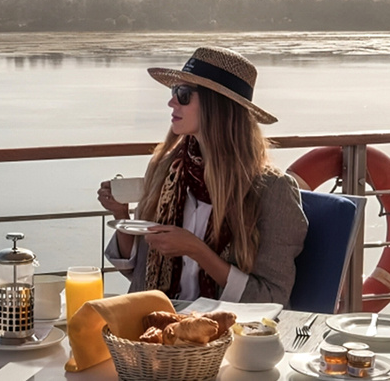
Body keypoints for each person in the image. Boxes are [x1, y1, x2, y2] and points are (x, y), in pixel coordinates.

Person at [99, 46, 307, 305]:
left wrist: (197, 251)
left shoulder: (272, 190)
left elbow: (272, 298)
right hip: (159, 325)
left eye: (183, 94)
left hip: (225, 334)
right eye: (175, 92)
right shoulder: (167, 170)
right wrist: (121, 215)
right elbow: (138, 273)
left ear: (217, 106)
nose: (171, 102)